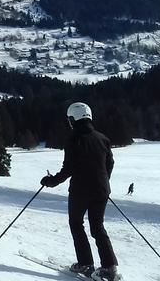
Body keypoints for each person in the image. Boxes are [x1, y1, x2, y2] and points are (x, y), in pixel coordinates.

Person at [40, 102, 119, 281]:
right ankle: (109, 267)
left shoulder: (73, 140)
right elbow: (110, 164)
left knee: (76, 224)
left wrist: (50, 181)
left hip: (80, 191)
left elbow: (68, 169)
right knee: (98, 227)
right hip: (101, 190)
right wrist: (102, 181)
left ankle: (85, 263)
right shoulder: (103, 138)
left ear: (73, 119)